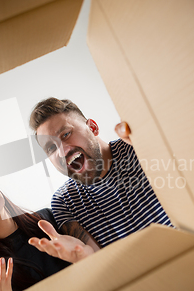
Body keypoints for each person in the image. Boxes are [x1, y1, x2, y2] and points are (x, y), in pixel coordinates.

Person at [29, 97, 174, 252]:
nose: (62, 152)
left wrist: (155, 150)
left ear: (93, 127)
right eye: (51, 148)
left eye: (66, 134)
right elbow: (94, 256)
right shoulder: (64, 202)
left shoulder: (137, 147)